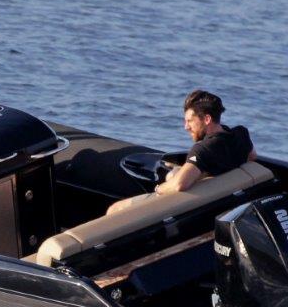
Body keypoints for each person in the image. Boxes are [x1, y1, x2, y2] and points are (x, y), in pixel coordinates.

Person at [106, 89, 256, 216]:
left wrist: (159, 188)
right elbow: (252, 157)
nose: (186, 127)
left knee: (114, 209)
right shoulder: (240, 134)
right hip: (223, 195)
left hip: (187, 203)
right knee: (173, 173)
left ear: (207, 119)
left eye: (190, 121)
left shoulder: (203, 149)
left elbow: (180, 185)